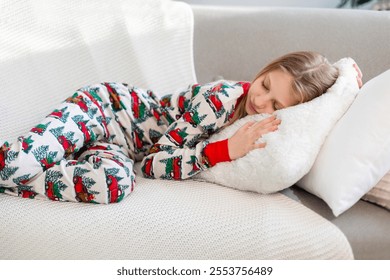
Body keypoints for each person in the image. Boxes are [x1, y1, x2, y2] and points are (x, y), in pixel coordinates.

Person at [0, 51, 362, 204]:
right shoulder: (220, 100)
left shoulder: (260, 121)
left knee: (114, 185)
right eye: (266, 84)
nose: (261, 102)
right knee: (15, 164)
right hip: (105, 110)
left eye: (277, 106)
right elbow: (154, 164)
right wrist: (223, 151)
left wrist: (347, 85)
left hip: (120, 147)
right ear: (267, 68)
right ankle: (11, 170)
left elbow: (135, 168)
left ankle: (12, 178)